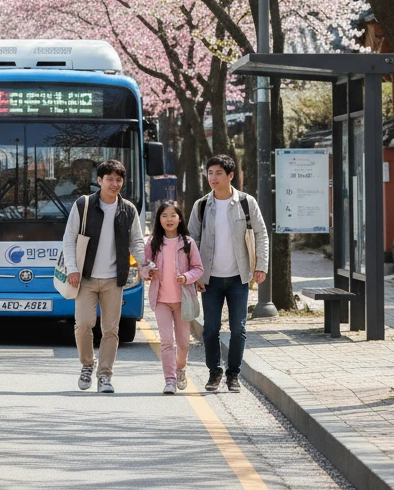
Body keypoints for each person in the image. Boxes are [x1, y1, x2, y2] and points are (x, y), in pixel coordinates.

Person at [63, 159, 147, 394]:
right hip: (85, 278)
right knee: (84, 324)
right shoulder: (84, 205)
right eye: (109, 179)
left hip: (114, 279)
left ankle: (105, 376)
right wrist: (72, 268)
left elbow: (136, 242)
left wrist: (145, 264)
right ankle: (87, 365)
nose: (114, 183)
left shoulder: (127, 209)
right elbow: (69, 238)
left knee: (111, 329)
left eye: (118, 179)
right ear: (99, 181)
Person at [188, 154, 269, 394]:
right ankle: (214, 372)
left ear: (230, 176)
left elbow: (261, 234)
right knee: (211, 329)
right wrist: (195, 276)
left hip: (238, 277)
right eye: (210, 173)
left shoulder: (246, 202)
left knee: (238, 328)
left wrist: (261, 265)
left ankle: (234, 375)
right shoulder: (201, 205)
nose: (213, 178)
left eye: (218, 173)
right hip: (210, 279)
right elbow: (192, 240)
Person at [145, 200, 203, 395]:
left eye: (173, 215)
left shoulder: (188, 243)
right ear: (158, 219)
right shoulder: (152, 242)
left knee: (184, 343)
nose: (169, 219)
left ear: (179, 218)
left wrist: (186, 277)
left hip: (183, 300)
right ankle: (169, 380)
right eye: (164, 216)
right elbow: (143, 267)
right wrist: (148, 272)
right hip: (161, 300)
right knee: (166, 341)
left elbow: (198, 268)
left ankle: (180, 368)